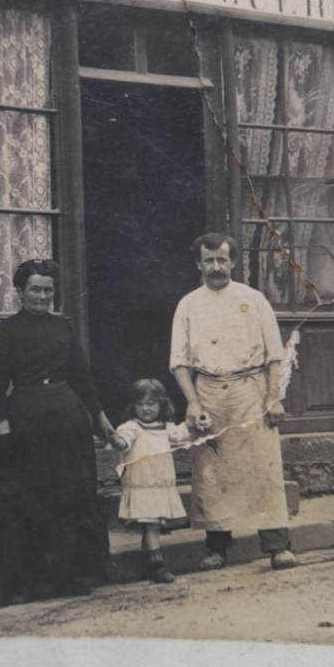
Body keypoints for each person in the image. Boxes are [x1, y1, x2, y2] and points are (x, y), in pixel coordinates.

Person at [0, 258, 118, 603]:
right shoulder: (4, 333)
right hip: (24, 422)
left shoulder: (64, 329)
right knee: (26, 499)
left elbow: (82, 377)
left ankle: (67, 576)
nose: (42, 297)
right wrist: (3, 428)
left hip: (66, 419)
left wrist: (99, 417)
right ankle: (21, 582)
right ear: (19, 291)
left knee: (69, 496)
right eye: (35, 290)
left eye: (48, 290)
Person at [170, 233, 298, 571]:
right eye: (208, 260)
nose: (215, 267)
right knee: (212, 475)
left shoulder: (254, 300)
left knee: (263, 470)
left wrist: (274, 398)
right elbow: (179, 362)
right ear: (198, 263)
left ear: (233, 262)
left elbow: (275, 355)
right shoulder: (188, 304)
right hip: (209, 393)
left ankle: (277, 546)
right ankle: (216, 548)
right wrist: (193, 403)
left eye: (221, 260)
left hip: (251, 392)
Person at [110, 378, 193, 584]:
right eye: (140, 404)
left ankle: (150, 563)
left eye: (151, 403)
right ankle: (158, 566)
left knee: (152, 526)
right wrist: (116, 440)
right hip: (142, 486)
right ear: (133, 406)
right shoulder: (132, 427)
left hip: (160, 485)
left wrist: (195, 422)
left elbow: (183, 434)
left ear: (161, 405)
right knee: (152, 526)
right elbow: (123, 442)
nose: (145, 408)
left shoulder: (165, 427)